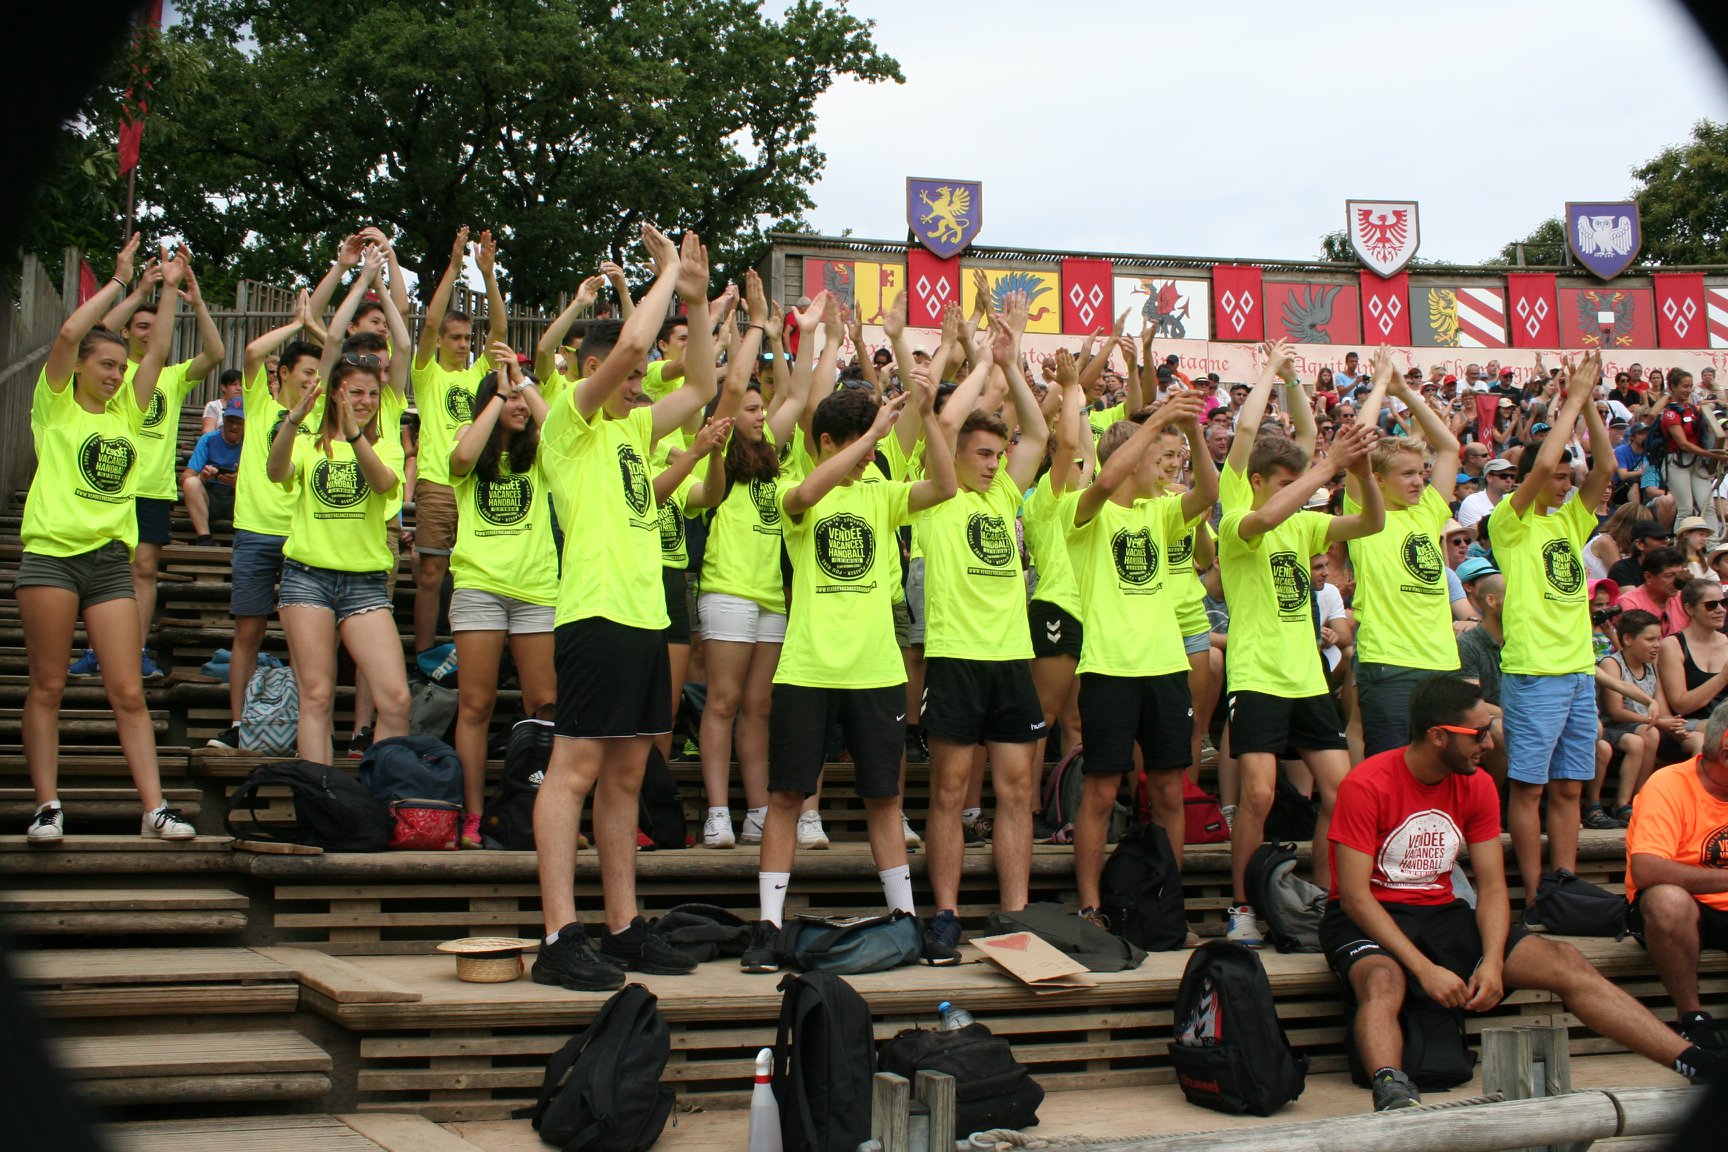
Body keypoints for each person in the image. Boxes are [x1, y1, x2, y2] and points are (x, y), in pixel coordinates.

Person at [1326, 675, 1720, 1113]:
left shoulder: (1474, 782)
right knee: (1384, 980)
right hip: (1369, 914)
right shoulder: (1366, 783)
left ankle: (1695, 1063)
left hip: (1441, 911)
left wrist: (1493, 962)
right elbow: (1356, 897)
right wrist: (1424, 968)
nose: (1489, 744)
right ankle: (1392, 1088)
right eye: (1477, 734)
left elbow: (1492, 885)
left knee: (1566, 961)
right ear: (1438, 736)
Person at [529, 226, 716, 991]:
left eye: (639, 376)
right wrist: (667, 273)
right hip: (596, 616)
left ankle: (622, 926)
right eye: (628, 373)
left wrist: (697, 306)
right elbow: (634, 347)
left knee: (628, 777)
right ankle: (558, 934)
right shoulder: (568, 426)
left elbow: (702, 388)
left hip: (644, 618)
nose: (639, 385)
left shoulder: (636, 433)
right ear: (590, 370)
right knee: (572, 770)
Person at [741, 374, 957, 975]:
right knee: (786, 797)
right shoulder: (796, 489)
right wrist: (873, 437)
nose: (873, 454)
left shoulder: (880, 495)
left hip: (875, 671)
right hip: (808, 669)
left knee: (884, 798)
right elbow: (807, 493)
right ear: (829, 441)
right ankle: (767, 925)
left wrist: (929, 416)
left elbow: (945, 484)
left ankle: (905, 920)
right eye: (859, 442)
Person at [19, 235, 194, 844]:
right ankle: (47, 804)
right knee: (48, 684)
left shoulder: (125, 411)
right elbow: (68, 336)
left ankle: (155, 807)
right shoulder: (57, 406)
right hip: (51, 559)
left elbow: (163, 348)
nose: (118, 376)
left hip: (108, 562)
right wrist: (123, 282)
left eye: (122, 367)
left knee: (127, 688)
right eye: (108, 365)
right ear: (82, 369)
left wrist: (170, 286)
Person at [1220, 340, 1383, 946]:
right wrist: (1269, 374)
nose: (1304, 492)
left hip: (1307, 677)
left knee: (1344, 793)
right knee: (1259, 794)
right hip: (1258, 674)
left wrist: (1357, 466)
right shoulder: (1240, 519)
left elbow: (1370, 523)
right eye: (1287, 481)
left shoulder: (1305, 520)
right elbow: (1246, 442)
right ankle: (1241, 908)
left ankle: (1323, 893)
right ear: (1258, 481)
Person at [920, 293, 1050, 953]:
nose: (994, 463)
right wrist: (975, 360)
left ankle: (1015, 911)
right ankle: (944, 914)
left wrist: (1011, 361)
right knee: (948, 787)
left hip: (1009, 657)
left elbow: (1042, 435)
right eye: (983, 453)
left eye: (998, 455)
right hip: (955, 655)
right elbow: (943, 423)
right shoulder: (939, 494)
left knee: (1018, 784)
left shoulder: (1004, 491)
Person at [1065, 389, 1216, 925]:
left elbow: (1208, 494)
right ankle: (1090, 905)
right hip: (1109, 669)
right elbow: (1106, 481)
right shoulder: (1084, 510)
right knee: (1101, 792)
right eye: (1159, 458)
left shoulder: (1161, 512)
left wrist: (1192, 428)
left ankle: (1165, 901)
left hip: (1166, 668)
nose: (1169, 469)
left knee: (1170, 791)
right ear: (1133, 458)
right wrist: (1155, 424)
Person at [1490, 351, 1613, 921]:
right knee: (1531, 789)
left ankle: (1565, 886)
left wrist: (1587, 405)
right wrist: (1567, 399)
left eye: (1569, 476)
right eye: (1560, 476)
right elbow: (1540, 468)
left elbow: (1607, 471)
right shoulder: (1510, 523)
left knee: (1568, 789)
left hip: (1577, 671)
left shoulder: (1569, 520)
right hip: (1534, 670)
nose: (1566, 484)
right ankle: (1536, 895)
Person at [67, 249, 225, 682]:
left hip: (152, 488)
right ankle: (96, 651)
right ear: (129, 327)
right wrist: (137, 290)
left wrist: (195, 302)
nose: (149, 331)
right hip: (105, 484)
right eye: (141, 323)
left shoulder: (170, 376)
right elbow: (95, 332)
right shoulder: (109, 371)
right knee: (95, 568)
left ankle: (132, 650)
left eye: (156, 326)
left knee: (143, 570)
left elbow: (215, 352)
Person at [266, 309, 412, 766]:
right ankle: (320, 797)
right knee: (317, 695)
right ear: (335, 393)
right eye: (355, 392)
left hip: (364, 581)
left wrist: (354, 436)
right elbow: (275, 472)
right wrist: (292, 421)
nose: (365, 400)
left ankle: (386, 794)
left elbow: (386, 485)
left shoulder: (384, 441)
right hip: (307, 576)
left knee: (397, 699)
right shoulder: (307, 438)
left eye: (372, 393)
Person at [687, 272, 802, 848]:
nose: (761, 414)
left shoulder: (771, 455)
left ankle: (758, 809)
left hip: (772, 598)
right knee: (725, 702)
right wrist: (753, 323)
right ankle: (716, 812)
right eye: (753, 408)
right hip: (728, 591)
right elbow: (732, 387)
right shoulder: (720, 456)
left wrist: (788, 336)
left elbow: (799, 396)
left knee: (760, 706)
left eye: (762, 408)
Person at [447, 352, 558, 849]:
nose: (517, 402)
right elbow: (463, 457)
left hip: (538, 590)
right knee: (475, 705)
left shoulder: (544, 453)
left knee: (545, 706)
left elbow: (557, 427)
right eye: (508, 395)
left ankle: (543, 813)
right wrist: (498, 393)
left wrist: (523, 384)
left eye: (521, 394)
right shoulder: (468, 444)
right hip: (479, 587)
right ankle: (473, 816)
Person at [206, 292, 324, 752]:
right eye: (307, 373)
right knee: (249, 631)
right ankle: (239, 724)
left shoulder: (322, 414)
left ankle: (297, 727)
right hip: (256, 530)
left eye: (319, 372)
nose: (315, 380)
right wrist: (299, 324)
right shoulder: (259, 404)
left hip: (304, 537)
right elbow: (253, 353)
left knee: (303, 641)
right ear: (285, 375)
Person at [1348, 347, 1463, 756]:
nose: (1419, 482)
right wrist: (1380, 385)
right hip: (1390, 664)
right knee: (1392, 771)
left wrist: (1403, 389)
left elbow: (1448, 448)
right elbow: (1354, 449)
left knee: (1445, 770)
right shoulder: (1364, 512)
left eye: (1421, 473)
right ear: (1377, 480)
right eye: (1408, 475)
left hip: (1442, 665)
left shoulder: (1428, 512)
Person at [409, 227, 506, 666]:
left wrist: (488, 274)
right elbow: (429, 323)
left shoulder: (476, 376)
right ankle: (424, 654)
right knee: (430, 573)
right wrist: (453, 266)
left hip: (475, 485)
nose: (464, 346)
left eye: (468, 340)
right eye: (457, 339)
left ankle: (462, 653)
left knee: (468, 574)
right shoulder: (427, 374)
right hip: (436, 481)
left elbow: (500, 332)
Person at [1625, 701, 1728, 1055]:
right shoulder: (1669, 784)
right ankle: (1692, 1019)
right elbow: (1647, 869)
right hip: (1684, 910)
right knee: (1666, 898)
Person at [1593, 609, 1682, 830]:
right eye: (1650, 639)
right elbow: (1615, 712)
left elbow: (1659, 703)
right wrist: (1659, 723)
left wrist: (1674, 724)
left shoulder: (1651, 664)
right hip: (1613, 727)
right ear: (1628, 640)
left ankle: (1638, 799)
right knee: (1647, 733)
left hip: (1642, 727)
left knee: (1649, 733)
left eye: (1659, 639)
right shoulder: (1612, 664)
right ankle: (1624, 802)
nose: (1657, 645)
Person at [1659, 370, 1725, 530]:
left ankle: (1712, 547)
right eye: (1684, 386)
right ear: (1673, 387)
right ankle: (1680, 548)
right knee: (1685, 509)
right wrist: (1712, 455)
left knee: (1707, 505)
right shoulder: (1669, 413)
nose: (1688, 390)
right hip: (1676, 461)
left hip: (1696, 461)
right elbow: (1683, 443)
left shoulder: (1693, 409)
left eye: (1690, 386)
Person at [181, 396, 243, 546]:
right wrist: (202, 477)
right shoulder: (208, 440)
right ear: (223, 418)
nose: (234, 426)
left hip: (238, 499)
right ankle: (204, 538)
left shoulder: (252, 443)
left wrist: (240, 480)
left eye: (239, 422)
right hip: (211, 496)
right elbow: (184, 478)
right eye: (230, 421)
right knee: (191, 483)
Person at [1616, 546, 1689, 638]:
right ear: (1648, 577)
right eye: (1669, 575)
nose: (1678, 581)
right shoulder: (1630, 602)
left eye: (1680, 575)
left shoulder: (1684, 598)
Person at [1609, 519, 1677, 589]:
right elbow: (1631, 599)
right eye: (1658, 538)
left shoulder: (1671, 567)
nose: (1665, 542)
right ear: (1640, 544)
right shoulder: (1622, 570)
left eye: (1666, 538)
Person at [1455, 457, 1514, 530]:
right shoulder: (1472, 502)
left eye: (1512, 476)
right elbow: (1480, 537)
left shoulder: (1512, 500)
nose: (1509, 480)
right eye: (1503, 476)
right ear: (1489, 478)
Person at [201, 368, 243, 434]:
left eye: (241, 385)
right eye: (234, 384)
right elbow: (208, 430)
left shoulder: (248, 407)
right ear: (224, 387)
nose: (238, 388)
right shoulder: (213, 406)